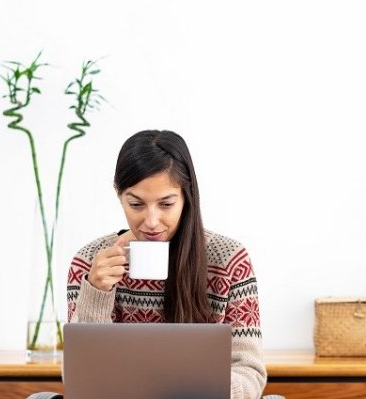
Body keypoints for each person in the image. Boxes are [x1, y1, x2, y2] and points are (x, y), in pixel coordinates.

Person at [66, 130, 267, 399]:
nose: (151, 221)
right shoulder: (90, 263)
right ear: (119, 196)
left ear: (187, 196)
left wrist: (203, 392)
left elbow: (249, 370)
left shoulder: (228, 260)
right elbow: (84, 379)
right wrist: (96, 293)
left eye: (166, 204)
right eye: (136, 204)